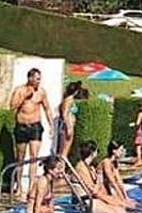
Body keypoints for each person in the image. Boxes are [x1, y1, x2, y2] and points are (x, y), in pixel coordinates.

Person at [10, 68, 55, 199]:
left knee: (34, 157)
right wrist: (24, 96)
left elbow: (47, 109)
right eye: (37, 78)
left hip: (35, 126)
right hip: (22, 126)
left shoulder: (41, 92)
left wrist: (51, 125)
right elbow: (12, 106)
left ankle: (31, 187)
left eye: (39, 79)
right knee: (20, 158)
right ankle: (19, 186)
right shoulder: (20, 90)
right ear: (30, 78)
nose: (39, 81)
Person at [73, 140, 127, 213]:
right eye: (96, 151)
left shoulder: (90, 167)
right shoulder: (81, 167)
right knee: (118, 211)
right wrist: (110, 200)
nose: (97, 153)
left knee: (120, 208)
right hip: (84, 201)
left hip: (93, 197)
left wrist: (119, 199)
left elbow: (98, 186)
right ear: (92, 152)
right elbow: (92, 189)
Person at [99, 141, 138, 210]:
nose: (122, 152)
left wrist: (126, 197)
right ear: (114, 151)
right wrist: (123, 200)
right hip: (101, 191)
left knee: (134, 204)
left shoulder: (114, 162)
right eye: (121, 150)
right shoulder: (106, 162)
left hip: (107, 190)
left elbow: (119, 181)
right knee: (126, 206)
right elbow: (113, 182)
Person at [58, 81, 86, 161]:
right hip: (67, 126)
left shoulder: (69, 99)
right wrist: (68, 127)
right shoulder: (68, 100)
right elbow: (64, 114)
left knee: (65, 151)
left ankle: (62, 167)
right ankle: (61, 167)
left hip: (69, 125)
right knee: (64, 151)